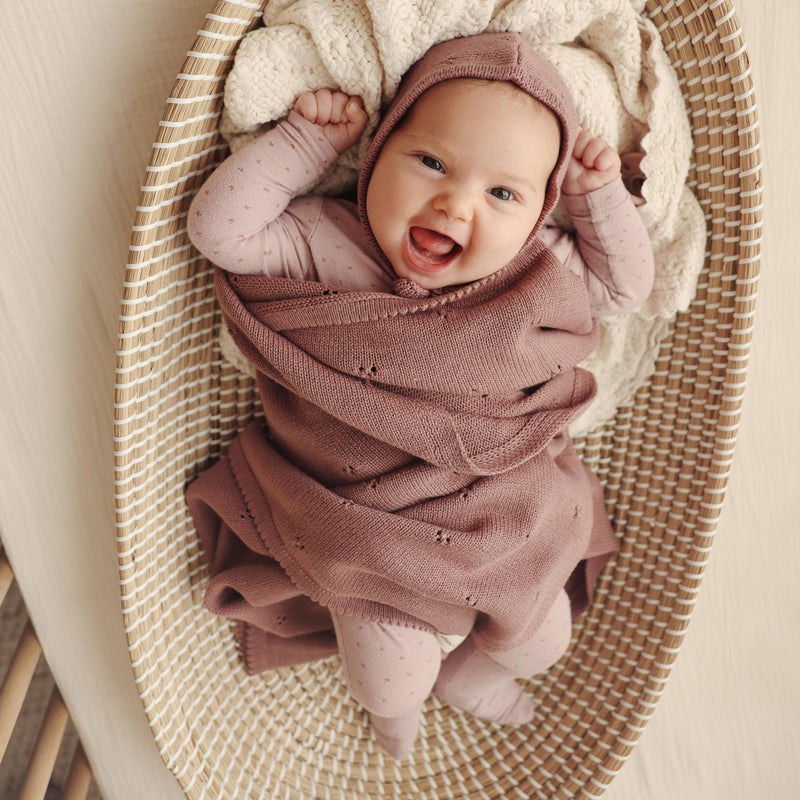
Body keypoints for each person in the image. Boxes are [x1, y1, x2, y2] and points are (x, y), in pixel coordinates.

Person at [185, 31, 654, 760]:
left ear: (538, 216)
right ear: (375, 155)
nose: (454, 203)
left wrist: (600, 204)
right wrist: (305, 143)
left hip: (508, 513)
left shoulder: (536, 270)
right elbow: (220, 230)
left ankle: (469, 677)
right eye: (431, 161)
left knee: (543, 643)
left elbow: (626, 287)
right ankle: (395, 716)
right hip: (368, 525)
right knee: (387, 680)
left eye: (502, 193)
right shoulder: (327, 241)